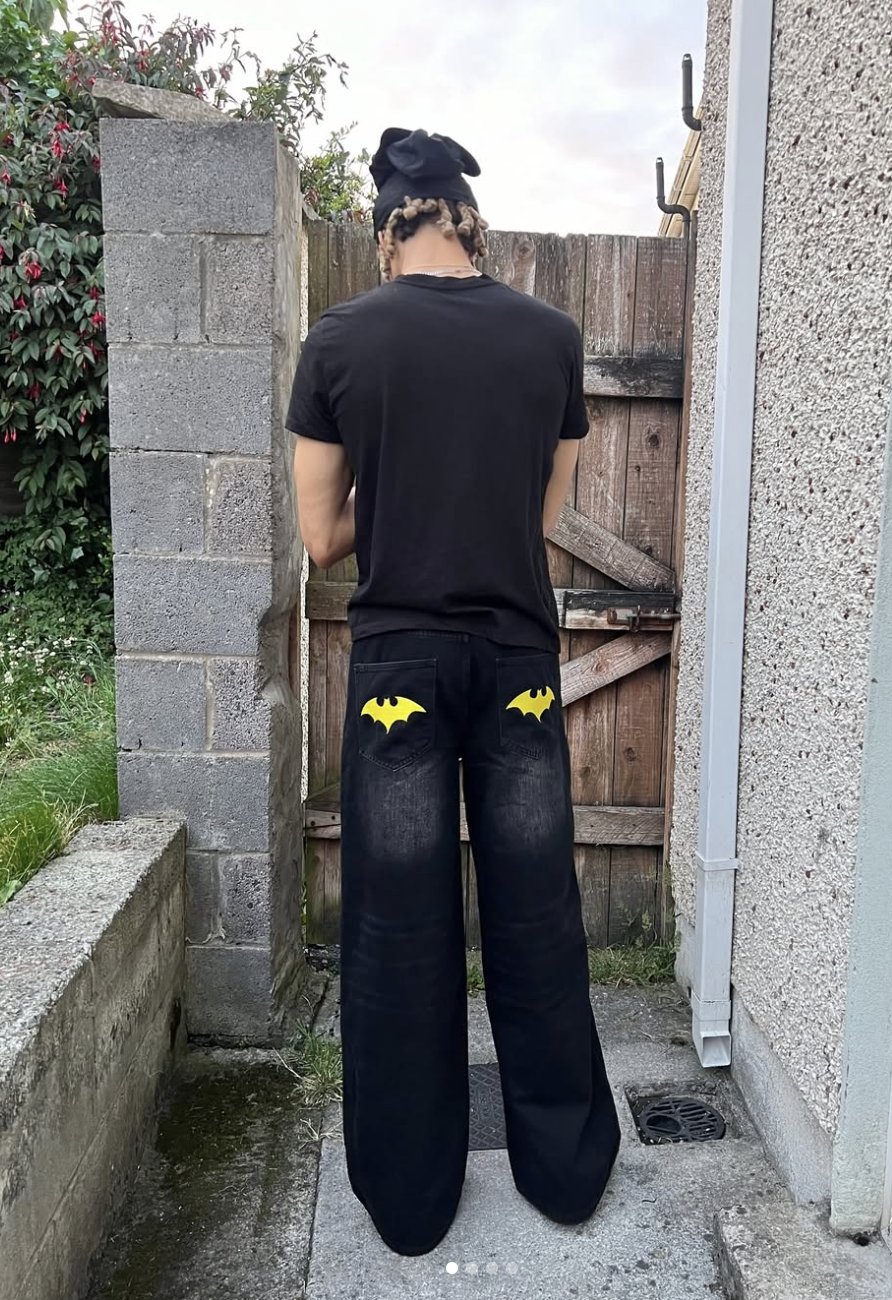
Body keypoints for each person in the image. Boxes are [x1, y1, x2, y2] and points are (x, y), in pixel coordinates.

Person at [287, 127, 621, 1257]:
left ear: (390, 230)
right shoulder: (551, 338)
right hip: (517, 662)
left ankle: (411, 1200)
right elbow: (539, 513)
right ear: (469, 224)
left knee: (398, 925)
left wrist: (399, 481)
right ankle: (566, 1174)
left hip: (400, 670)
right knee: (536, 913)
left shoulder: (341, 341)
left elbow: (324, 536)